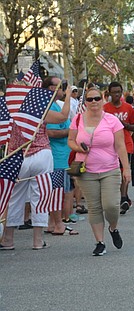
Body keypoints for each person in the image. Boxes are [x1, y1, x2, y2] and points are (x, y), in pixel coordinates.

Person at [1, 75, 71, 251]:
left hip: (16, 156)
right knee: (41, 197)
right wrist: (68, 95)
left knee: (14, 198)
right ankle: (37, 240)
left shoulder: (8, 108)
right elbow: (63, 117)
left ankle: (8, 239)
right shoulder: (38, 108)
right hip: (41, 154)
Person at [68, 87, 131, 256]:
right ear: (85, 102)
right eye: (90, 99)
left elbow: (120, 146)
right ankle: (100, 242)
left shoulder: (112, 120)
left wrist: (126, 168)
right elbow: (71, 140)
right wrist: (79, 148)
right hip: (86, 170)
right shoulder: (78, 119)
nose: (94, 102)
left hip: (110, 169)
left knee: (111, 205)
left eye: (97, 98)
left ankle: (113, 228)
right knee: (94, 207)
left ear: (102, 99)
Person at [44, 82, 77, 236]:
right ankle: (58, 224)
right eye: (61, 86)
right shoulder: (49, 106)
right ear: (51, 88)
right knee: (57, 192)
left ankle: (52, 223)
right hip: (57, 157)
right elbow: (51, 132)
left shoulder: (56, 105)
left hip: (63, 156)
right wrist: (71, 132)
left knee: (62, 191)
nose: (65, 89)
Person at [103, 82, 134, 214]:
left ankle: (123, 198)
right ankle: (121, 196)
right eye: (114, 92)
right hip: (109, 146)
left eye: (119, 92)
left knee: (125, 170)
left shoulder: (128, 107)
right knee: (115, 172)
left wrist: (126, 125)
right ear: (109, 93)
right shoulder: (105, 109)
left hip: (126, 144)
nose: (117, 94)